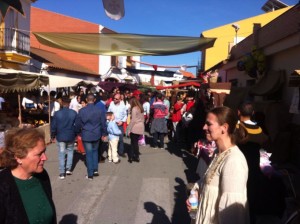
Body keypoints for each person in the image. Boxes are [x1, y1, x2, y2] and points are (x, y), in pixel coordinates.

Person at [187, 106, 249, 224]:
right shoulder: (218, 153)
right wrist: (195, 193)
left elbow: (232, 213)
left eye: (208, 124)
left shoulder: (234, 161)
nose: (204, 127)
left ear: (224, 128)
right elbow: (208, 182)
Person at [0, 128, 56, 223]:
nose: (45, 157)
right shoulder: (2, 186)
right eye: (39, 154)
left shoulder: (42, 176)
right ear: (18, 157)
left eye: (44, 151)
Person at [75, 94, 107, 180]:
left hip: (86, 134)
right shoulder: (99, 110)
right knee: (95, 151)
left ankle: (90, 173)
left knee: (89, 153)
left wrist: (78, 133)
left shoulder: (82, 111)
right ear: (94, 100)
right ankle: (95, 170)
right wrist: (104, 133)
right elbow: (103, 123)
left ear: (86, 100)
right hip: (96, 133)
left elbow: (78, 124)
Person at [51, 97, 77, 179]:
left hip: (60, 136)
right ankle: (68, 169)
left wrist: (52, 135)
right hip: (71, 135)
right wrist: (75, 134)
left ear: (62, 103)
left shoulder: (57, 113)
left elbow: (53, 126)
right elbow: (76, 125)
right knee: (70, 151)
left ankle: (62, 172)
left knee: (61, 154)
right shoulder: (73, 113)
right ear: (69, 104)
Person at [107, 93, 127, 157]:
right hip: (112, 124)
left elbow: (125, 115)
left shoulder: (123, 106)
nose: (114, 99)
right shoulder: (111, 104)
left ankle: (121, 152)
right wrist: (108, 121)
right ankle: (111, 153)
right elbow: (108, 113)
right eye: (114, 98)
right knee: (111, 139)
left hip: (119, 124)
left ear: (120, 99)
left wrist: (122, 121)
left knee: (120, 139)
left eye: (116, 99)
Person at [127, 97, 145, 163]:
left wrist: (129, 129)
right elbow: (143, 119)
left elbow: (133, 120)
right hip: (140, 126)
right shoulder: (140, 108)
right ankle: (136, 156)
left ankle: (132, 157)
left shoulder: (134, 108)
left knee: (133, 143)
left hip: (135, 126)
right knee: (135, 142)